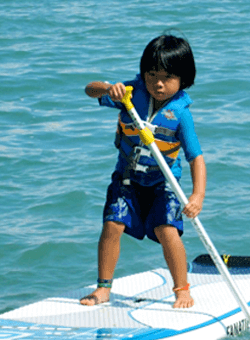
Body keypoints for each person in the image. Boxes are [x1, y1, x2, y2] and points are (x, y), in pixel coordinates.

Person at [80, 34, 206, 309]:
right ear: (142, 73)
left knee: (166, 230)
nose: (158, 84)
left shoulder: (181, 115)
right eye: (151, 75)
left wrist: (197, 195)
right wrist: (106, 88)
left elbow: (196, 157)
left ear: (183, 79)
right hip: (127, 178)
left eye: (167, 77)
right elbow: (89, 90)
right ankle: (103, 289)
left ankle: (182, 290)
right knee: (112, 224)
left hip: (163, 184)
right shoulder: (130, 93)